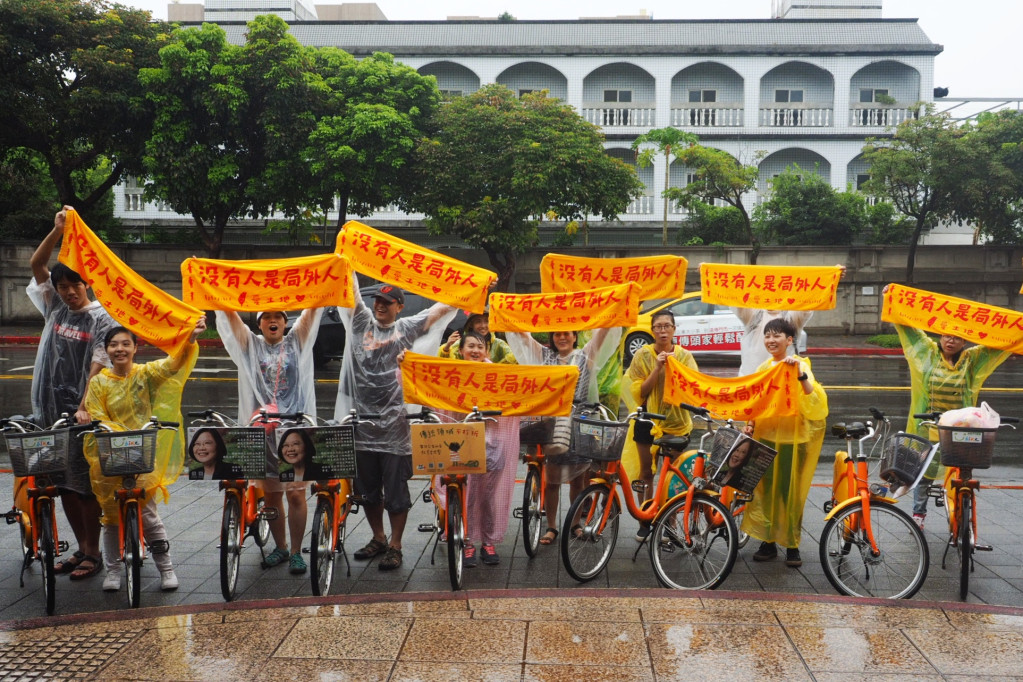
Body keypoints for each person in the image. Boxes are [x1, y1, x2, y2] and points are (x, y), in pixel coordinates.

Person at [336, 278, 456, 571]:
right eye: (377, 299)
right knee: (367, 490)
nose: (379, 305)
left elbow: (438, 311)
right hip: (362, 423)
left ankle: (396, 545)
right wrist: (346, 256)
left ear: (399, 307)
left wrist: (473, 288)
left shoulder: (406, 328)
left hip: (395, 427)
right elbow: (350, 291)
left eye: (387, 302)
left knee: (396, 490)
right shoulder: (361, 321)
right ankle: (378, 537)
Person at [26, 205, 116, 581]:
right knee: (61, 484)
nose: (68, 292)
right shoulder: (54, 308)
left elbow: (98, 364)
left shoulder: (100, 317)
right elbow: (36, 265)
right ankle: (81, 548)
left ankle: (93, 552)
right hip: (48, 411)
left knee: (85, 487)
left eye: (74, 286)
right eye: (62, 287)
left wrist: (84, 407)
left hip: (82, 414)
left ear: (87, 284)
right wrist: (57, 232)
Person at [85, 321, 205, 591]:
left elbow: (171, 366)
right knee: (111, 517)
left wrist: (189, 340)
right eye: (114, 345)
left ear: (135, 348)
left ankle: (166, 569)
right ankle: (113, 571)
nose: (120, 349)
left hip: (143, 453)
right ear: (106, 350)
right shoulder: (99, 382)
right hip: (111, 455)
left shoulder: (145, 374)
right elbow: (97, 414)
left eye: (126, 344)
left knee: (148, 515)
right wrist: (119, 436)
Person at [216, 307, 323, 576]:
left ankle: (297, 552)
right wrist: (214, 292)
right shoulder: (250, 344)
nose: (272, 321)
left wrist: (325, 278)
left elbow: (312, 311)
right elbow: (231, 318)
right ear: (260, 323)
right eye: (266, 317)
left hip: (293, 431)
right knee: (272, 494)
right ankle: (282, 546)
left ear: (286, 323)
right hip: (262, 431)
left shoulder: (296, 341)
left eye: (278, 317)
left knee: (296, 493)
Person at [507, 325, 621, 546]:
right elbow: (522, 336)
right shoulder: (544, 356)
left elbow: (603, 334)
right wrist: (510, 316)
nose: (562, 337)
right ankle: (551, 527)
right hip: (552, 425)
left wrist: (610, 316)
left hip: (579, 423)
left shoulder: (585, 356)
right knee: (551, 480)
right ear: (552, 336)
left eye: (566, 333)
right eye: (557, 333)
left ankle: (575, 523)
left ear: (574, 336)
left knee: (578, 479)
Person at [894, 320, 1010, 529]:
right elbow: (911, 331)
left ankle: (958, 510)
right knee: (925, 473)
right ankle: (918, 514)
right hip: (931, 424)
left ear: (964, 342)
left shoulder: (971, 359)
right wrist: (893, 303)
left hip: (962, 427)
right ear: (940, 337)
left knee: (961, 471)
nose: (951, 340)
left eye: (957, 337)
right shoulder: (929, 353)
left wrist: (1015, 326)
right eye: (947, 335)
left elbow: (997, 345)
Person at [742, 317, 828, 568]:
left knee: (789, 494)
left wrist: (800, 376)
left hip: (793, 441)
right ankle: (768, 542)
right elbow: (755, 402)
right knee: (766, 493)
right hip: (766, 438)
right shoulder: (763, 369)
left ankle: (792, 545)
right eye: (768, 335)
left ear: (790, 340)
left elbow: (816, 402)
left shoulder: (799, 365)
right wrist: (749, 424)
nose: (771, 340)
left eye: (777, 335)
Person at [624, 310, 698, 539]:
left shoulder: (685, 356)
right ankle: (645, 518)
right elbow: (640, 393)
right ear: (652, 330)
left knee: (672, 476)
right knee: (645, 472)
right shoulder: (643, 356)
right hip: (647, 421)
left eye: (667, 326)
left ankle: (669, 521)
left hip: (676, 423)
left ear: (674, 329)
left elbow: (693, 389)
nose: (663, 330)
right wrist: (657, 368)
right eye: (658, 327)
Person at [453, 331, 520, 566]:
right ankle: (468, 542)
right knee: (467, 495)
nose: (475, 351)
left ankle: (488, 542)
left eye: (480, 347)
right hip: (462, 445)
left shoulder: (499, 375)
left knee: (490, 497)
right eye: (470, 346)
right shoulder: (450, 374)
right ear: (461, 350)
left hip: (494, 445)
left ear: (487, 352)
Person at [732, 265, 846, 376]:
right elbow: (736, 297)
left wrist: (831, 278)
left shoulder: (792, 317)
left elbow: (809, 298)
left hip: (783, 381)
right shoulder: (753, 316)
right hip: (753, 381)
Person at [438, 310, 516, 364]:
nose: (483, 326)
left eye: (487, 321)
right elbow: (446, 365)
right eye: (478, 321)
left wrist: (493, 368)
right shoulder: (459, 343)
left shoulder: (499, 344)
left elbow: (515, 359)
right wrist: (446, 348)